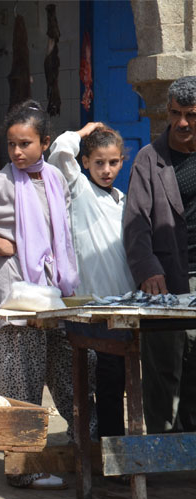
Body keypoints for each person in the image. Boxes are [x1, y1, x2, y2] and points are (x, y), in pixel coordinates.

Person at [0, 100, 95, 490]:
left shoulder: (56, 179)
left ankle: (87, 453)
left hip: (52, 298)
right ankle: (22, 467)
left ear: (44, 142)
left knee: (72, 375)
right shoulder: (4, 183)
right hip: (15, 303)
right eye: (11, 144)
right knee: (21, 387)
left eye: (25, 144)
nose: (17, 152)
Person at [48, 123, 135, 439]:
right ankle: (107, 449)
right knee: (103, 379)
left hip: (124, 307)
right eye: (98, 162)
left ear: (122, 161)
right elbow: (59, 150)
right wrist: (85, 131)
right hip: (91, 307)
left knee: (120, 382)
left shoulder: (123, 200)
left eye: (113, 162)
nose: (106, 169)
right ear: (85, 163)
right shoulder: (79, 189)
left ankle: (116, 447)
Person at [123, 75, 196, 434]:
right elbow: (135, 225)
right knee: (163, 365)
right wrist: (148, 269)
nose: (182, 122)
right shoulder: (149, 160)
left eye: (191, 115)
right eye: (175, 113)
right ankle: (162, 448)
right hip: (167, 280)